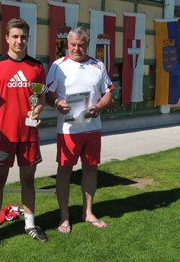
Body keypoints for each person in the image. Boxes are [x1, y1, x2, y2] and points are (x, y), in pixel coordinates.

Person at [0, 18, 47, 248]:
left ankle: (29, 225)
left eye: (24, 37)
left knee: (28, 180)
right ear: (7, 38)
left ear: (28, 39)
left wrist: (36, 112)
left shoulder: (37, 67)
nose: (20, 41)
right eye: (15, 36)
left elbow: (41, 97)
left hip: (28, 135)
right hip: (3, 137)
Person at [46, 27, 114, 234]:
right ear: (67, 44)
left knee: (91, 169)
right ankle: (64, 216)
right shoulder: (58, 66)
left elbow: (109, 92)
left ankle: (88, 212)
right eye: (73, 44)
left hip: (92, 128)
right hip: (68, 130)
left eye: (81, 45)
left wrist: (99, 107)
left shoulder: (98, 65)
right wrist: (57, 102)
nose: (77, 48)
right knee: (65, 171)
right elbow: (47, 94)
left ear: (87, 44)